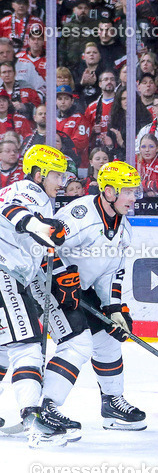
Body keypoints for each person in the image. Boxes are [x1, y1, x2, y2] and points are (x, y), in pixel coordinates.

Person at [39, 161, 146, 437]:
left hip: (78, 288)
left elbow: (112, 273)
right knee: (78, 343)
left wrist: (114, 308)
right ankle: (45, 408)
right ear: (109, 192)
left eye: (135, 192)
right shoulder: (81, 215)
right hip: (45, 284)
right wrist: (60, 276)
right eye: (128, 192)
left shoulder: (124, 229)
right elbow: (42, 244)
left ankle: (112, 403)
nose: (133, 198)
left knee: (108, 340)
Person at [0, 144, 75, 447]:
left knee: (4, 349)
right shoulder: (27, 190)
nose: (63, 182)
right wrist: (39, 226)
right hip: (4, 273)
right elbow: (11, 210)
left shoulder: (43, 200)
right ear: (38, 173)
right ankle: (34, 419)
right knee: (27, 346)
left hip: (12, 274)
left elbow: (36, 247)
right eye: (57, 175)